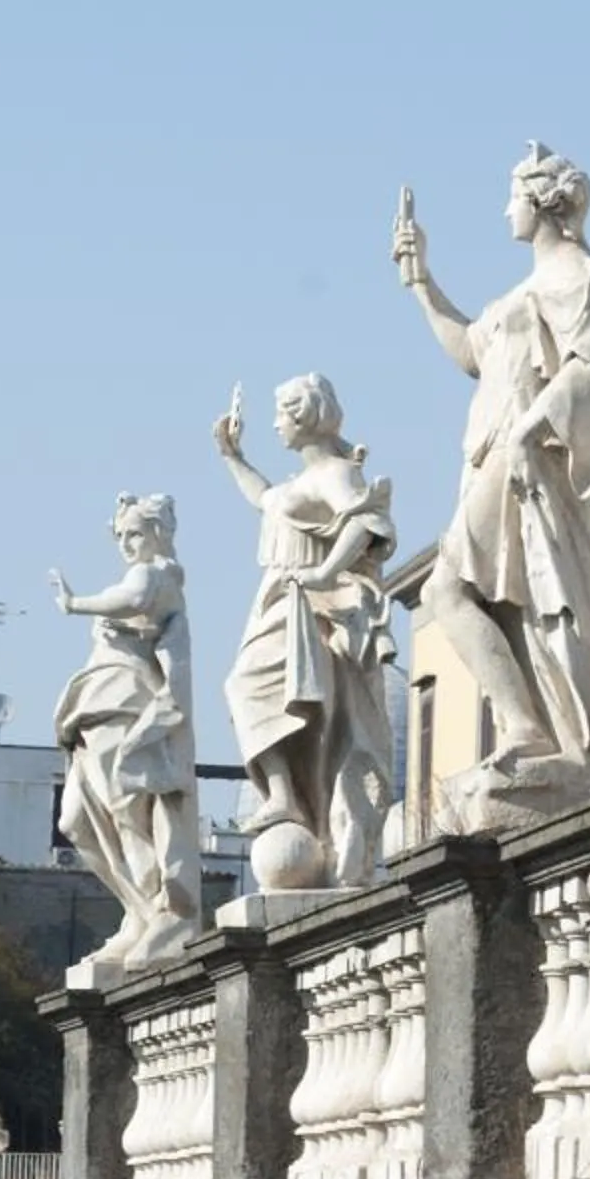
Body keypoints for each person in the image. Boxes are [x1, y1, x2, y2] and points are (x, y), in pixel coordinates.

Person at [393, 147, 590, 808]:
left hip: (525, 454)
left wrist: (534, 426)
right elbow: (470, 349)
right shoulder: (517, 296)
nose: (504, 209)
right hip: (490, 454)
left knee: (446, 589)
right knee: (497, 603)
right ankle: (529, 727)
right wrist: (420, 282)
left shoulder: (581, 274)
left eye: (511, 196)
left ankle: (526, 725)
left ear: (541, 201)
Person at [215, 374, 396, 884]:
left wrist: (324, 571)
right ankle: (284, 796)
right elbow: (265, 499)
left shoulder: (334, 473)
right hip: (280, 601)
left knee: (248, 686)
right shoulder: (299, 484)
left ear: (304, 415)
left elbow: (367, 522)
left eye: (280, 414)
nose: (274, 424)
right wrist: (233, 457)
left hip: (311, 606)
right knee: (251, 691)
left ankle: (284, 796)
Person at [49, 493, 204, 973]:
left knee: (126, 811)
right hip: (94, 709)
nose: (125, 544)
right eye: (120, 536)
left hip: (125, 703)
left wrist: (76, 604)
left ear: (158, 533)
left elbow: (134, 599)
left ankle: (161, 909)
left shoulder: (156, 574)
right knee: (76, 821)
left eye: (134, 533)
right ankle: (138, 911)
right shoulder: (142, 573)